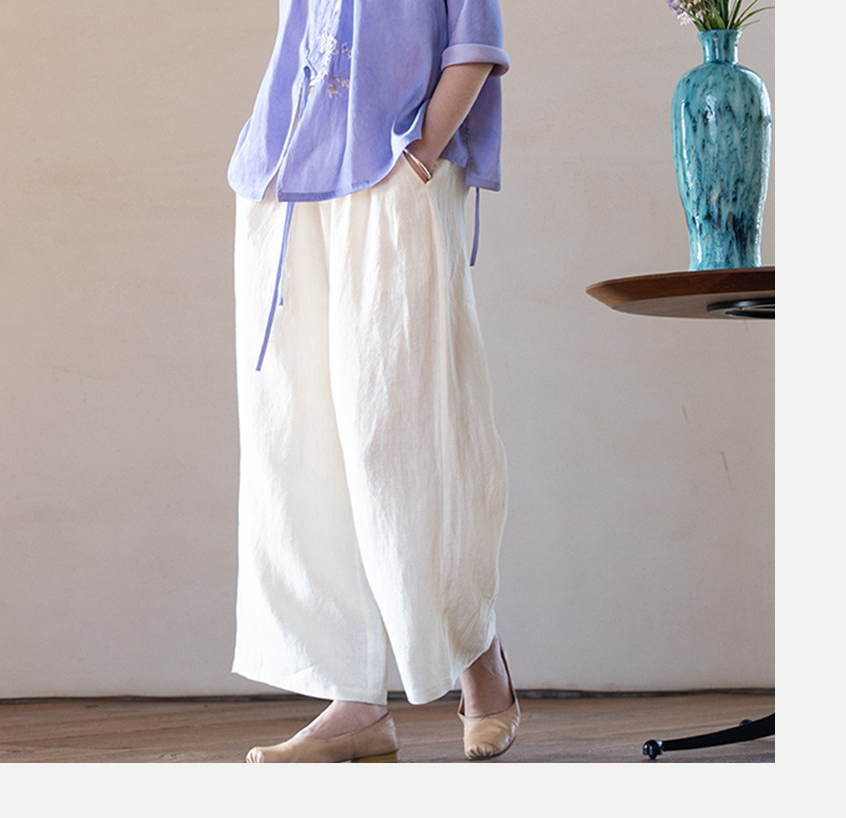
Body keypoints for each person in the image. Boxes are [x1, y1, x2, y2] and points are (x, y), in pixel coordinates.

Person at [228, 0, 518, 763]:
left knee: (406, 437)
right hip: (289, 177)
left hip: (396, 173)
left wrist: (421, 156)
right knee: (301, 442)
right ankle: (354, 699)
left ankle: (478, 654)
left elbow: (475, 41)